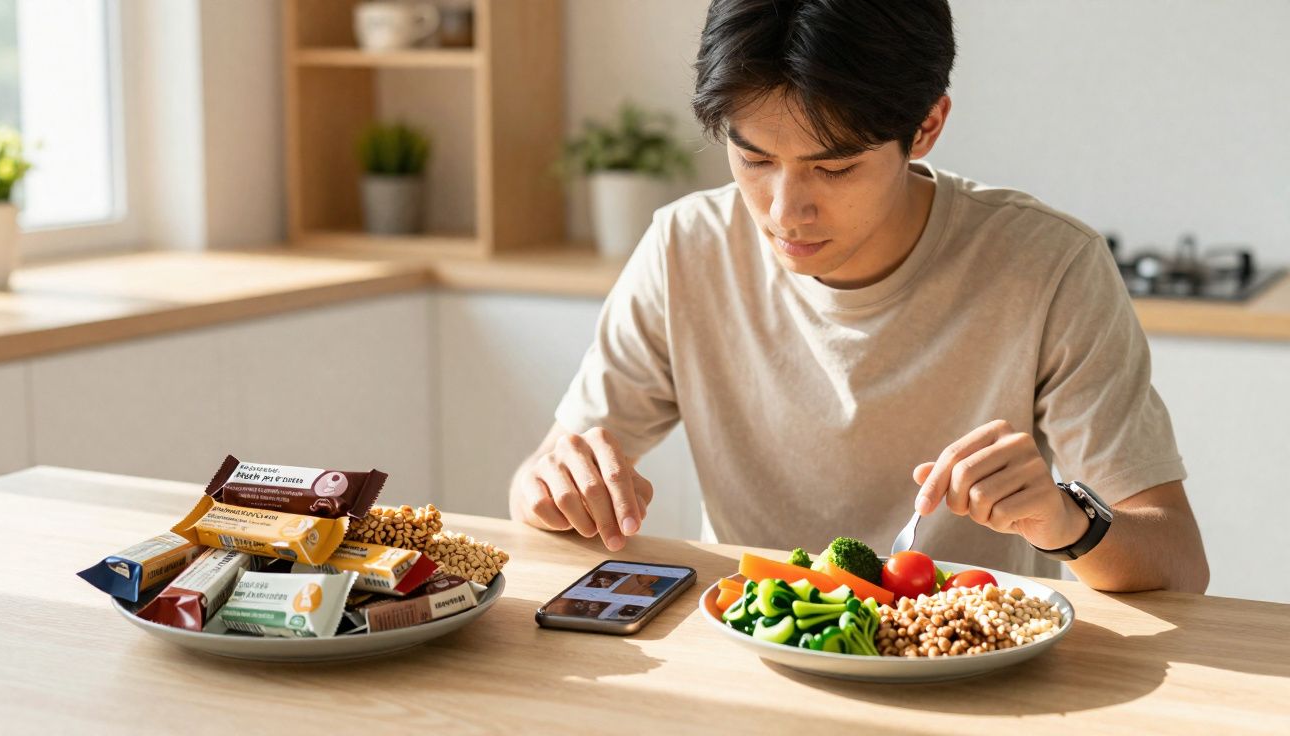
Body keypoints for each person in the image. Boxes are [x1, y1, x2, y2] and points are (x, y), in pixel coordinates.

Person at [508, 0, 1208, 592]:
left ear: (927, 126)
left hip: (965, 670)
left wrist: (1066, 521)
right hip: (753, 658)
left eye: (833, 167)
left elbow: (1178, 561)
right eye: (753, 159)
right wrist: (552, 490)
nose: (786, 211)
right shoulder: (685, 247)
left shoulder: (1048, 264)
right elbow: (535, 491)